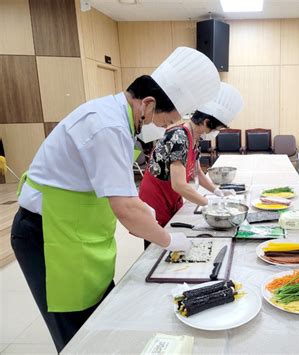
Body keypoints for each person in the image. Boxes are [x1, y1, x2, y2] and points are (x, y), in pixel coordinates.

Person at [11, 47, 220, 352]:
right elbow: (125, 211)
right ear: (147, 105)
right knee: (77, 337)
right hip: (47, 235)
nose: (163, 130)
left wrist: (142, 209)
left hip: (77, 231)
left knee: (100, 321)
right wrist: (169, 240)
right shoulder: (108, 125)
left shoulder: (117, 120)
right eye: (163, 123)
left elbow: (118, 191)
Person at [139, 83, 244, 248]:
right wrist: (209, 204)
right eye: (217, 128)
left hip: (171, 194)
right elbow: (179, 184)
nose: (216, 132)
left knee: (171, 237)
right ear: (206, 121)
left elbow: (197, 172)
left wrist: (217, 191)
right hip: (156, 197)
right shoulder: (179, 137)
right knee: (156, 244)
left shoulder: (195, 138)